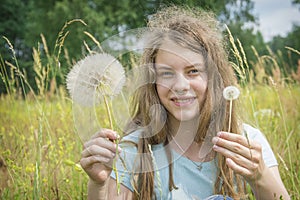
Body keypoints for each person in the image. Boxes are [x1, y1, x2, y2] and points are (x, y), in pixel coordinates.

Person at [80, 6, 290, 200]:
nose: (180, 85)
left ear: (214, 78)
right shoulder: (134, 148)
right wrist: (98, 184)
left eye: (193, 71)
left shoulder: (247, 141)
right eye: (166, 73)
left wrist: (260, 176)